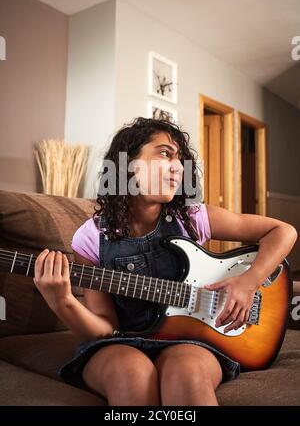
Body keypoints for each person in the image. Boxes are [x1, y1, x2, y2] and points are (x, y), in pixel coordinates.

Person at [34, 116, 297, 406]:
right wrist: (63, 302)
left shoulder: (193, 217)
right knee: (132, 374)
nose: (177, 166)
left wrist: (249, 281)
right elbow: (104, 328)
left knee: (187, 373)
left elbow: (283, 231)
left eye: (181, 159)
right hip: (120, 343)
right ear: (128, 165)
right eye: (164, 153)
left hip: (190, 342)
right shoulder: (91, 237)